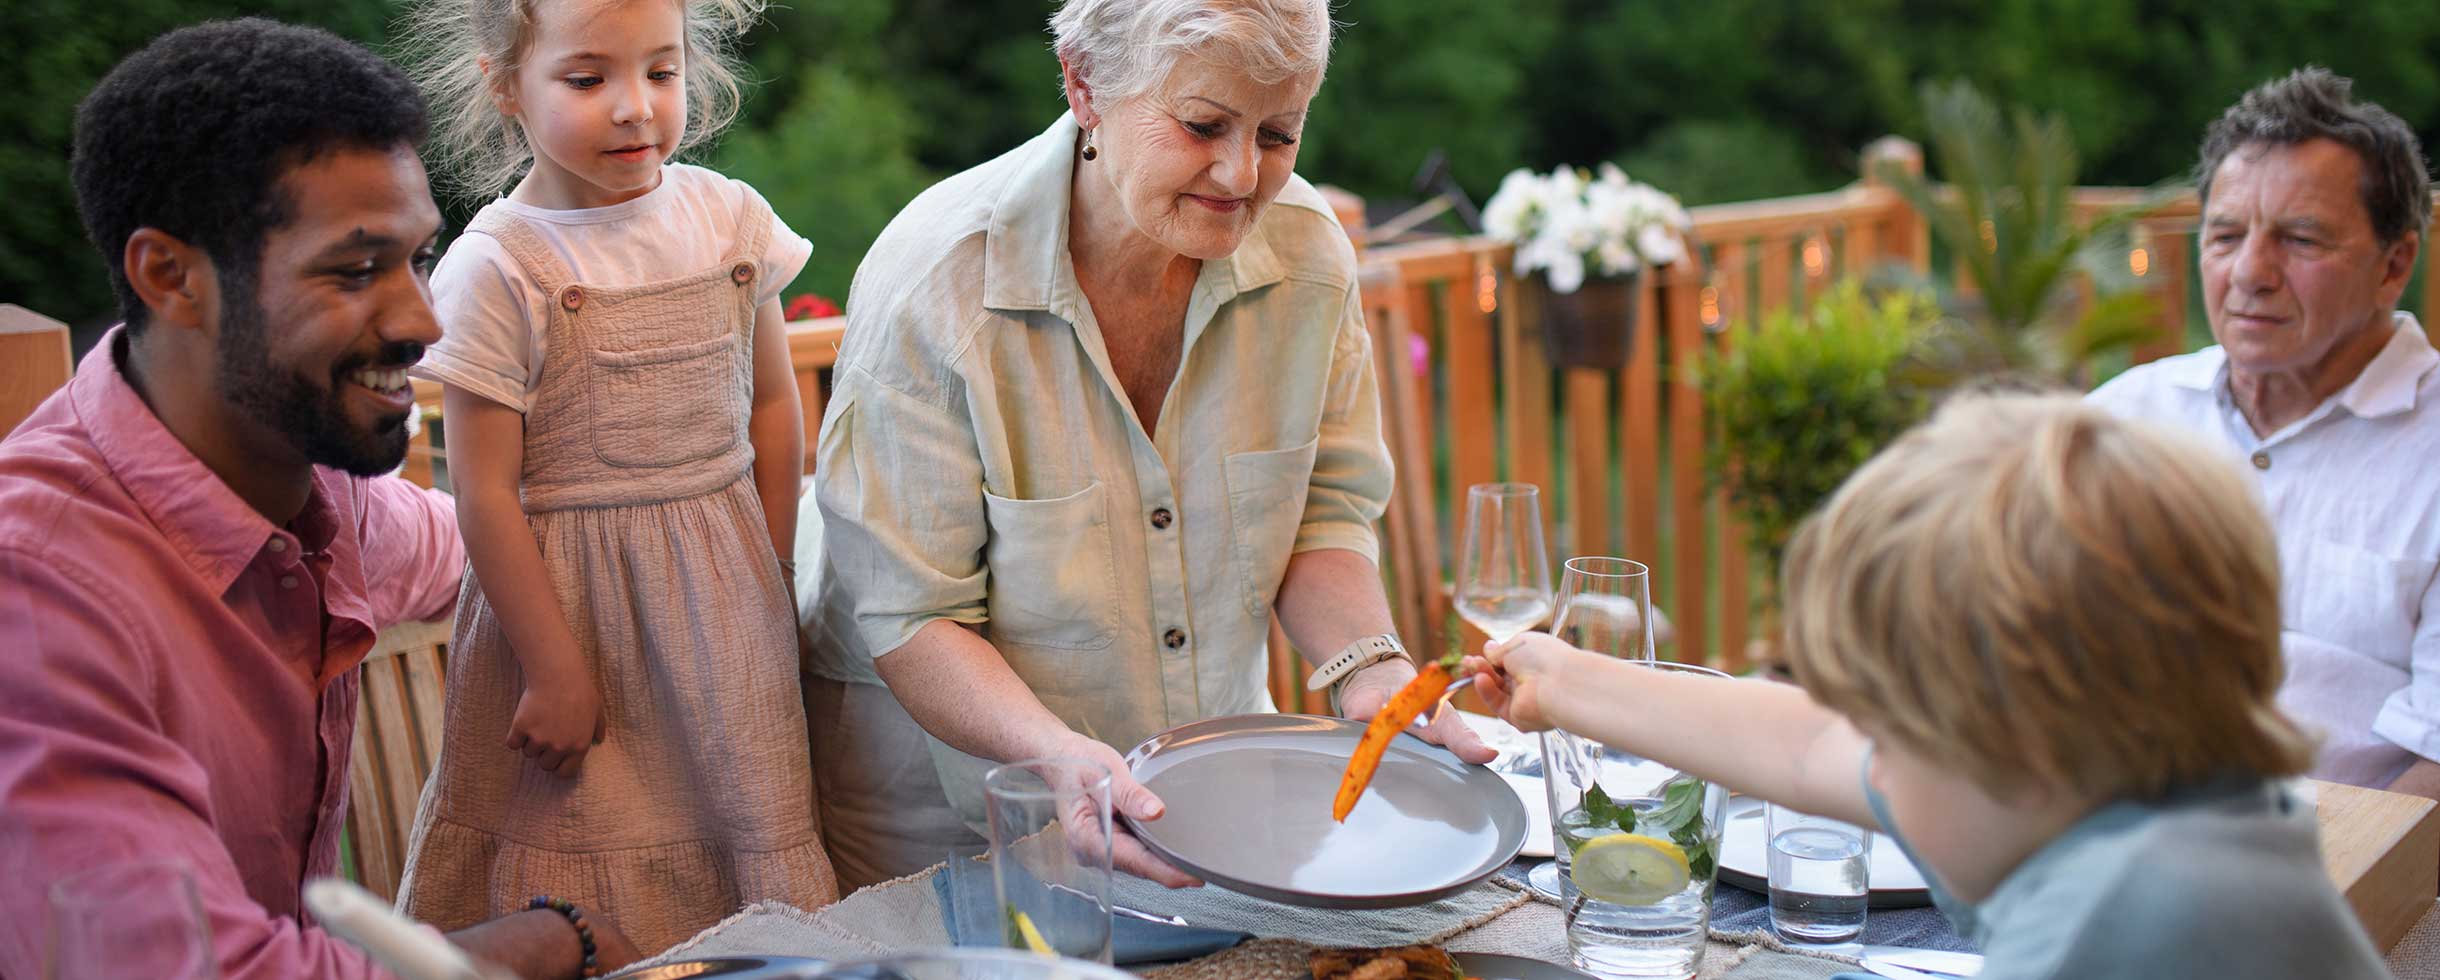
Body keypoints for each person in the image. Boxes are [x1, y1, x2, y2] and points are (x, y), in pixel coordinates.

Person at [0, 18, 639, 978]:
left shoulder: (314, 500)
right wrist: (552, 938)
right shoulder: (37, 596)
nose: (425, 322)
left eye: (419, 259)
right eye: (356, 270)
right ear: (171, 277)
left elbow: (482, 548)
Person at [802, 0, 1492, 889]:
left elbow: (1321, 514)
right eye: (1203, 125)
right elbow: (914, 617)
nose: (1242, 174)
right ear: (1084, 84)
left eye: (1279, 134)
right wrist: (1057, 755)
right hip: (958, 817)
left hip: (1218, 789)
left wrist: (1370, 671)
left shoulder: (1309, 258)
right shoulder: (936, 287)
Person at [1469, 394, 2389, 979]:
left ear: (2015, 736)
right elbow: (1808, 744)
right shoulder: (2163, 795)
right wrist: (1567, 682)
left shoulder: (2135, 926)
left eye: (1890, 720)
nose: (1869, 749)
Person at [392, 0, 835, 950]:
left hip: (729, 609)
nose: (636, 108)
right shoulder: (498, 267)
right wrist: (553, 669)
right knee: (581, 841)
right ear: (507, 85)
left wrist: (775, 567)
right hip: (567, 616)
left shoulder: (729, 219)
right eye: (589, 79)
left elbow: (769, 406)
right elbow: (482, 491)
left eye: (661, 72)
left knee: (749, 826)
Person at [2087, 67, 2439, 794]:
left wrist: (2295, 904)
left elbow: (2435, 773)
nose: (2250, 272)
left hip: (2353, 880)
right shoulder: (2121, 420)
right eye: (2224, 235)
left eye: (2300, 240)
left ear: (2394, 265)